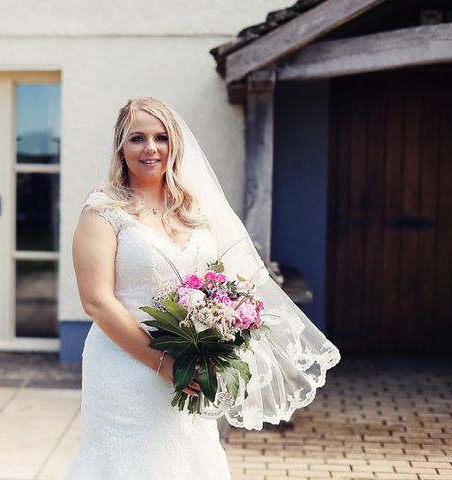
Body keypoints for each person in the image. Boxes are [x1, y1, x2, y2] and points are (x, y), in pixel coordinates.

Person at [66, 97, 340, 479]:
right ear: (120, 146)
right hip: (123, 367)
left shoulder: (193, 210)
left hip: (192, 367)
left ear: (174, 145)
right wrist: (162, 363)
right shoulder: (103, 212)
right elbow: (96, 301)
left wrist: (218, 336)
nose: (151, 148)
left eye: (161, 137)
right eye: (137, 138)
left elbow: (222, 282)